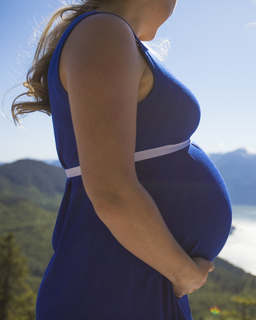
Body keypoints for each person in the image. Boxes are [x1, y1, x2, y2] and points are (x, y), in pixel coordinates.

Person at [11, 0, 232, 319]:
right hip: (119, 280)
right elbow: (111, 191)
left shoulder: (108, 33)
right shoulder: (102, 31)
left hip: (135, 274)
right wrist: (183, 272)